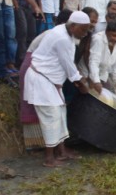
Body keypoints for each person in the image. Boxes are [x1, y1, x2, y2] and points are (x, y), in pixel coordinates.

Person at [24, 11, 90, 167]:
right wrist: (82, 85)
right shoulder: (62, 39)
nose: (85, 33)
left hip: (51, 81)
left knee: (60, 114)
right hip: (41, 80)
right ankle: (49, 158)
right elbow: (69, 67)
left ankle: (61, 151)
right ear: (73, 26)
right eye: (83, 29)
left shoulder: (65, 32)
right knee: (51, 118)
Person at [81, 19, 116, 96]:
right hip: (87, 73)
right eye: (113, 35)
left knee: (109, 95)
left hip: (103, 73)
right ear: (107, 32)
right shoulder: (98, 39)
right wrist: (96, 81)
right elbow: (93, 62)